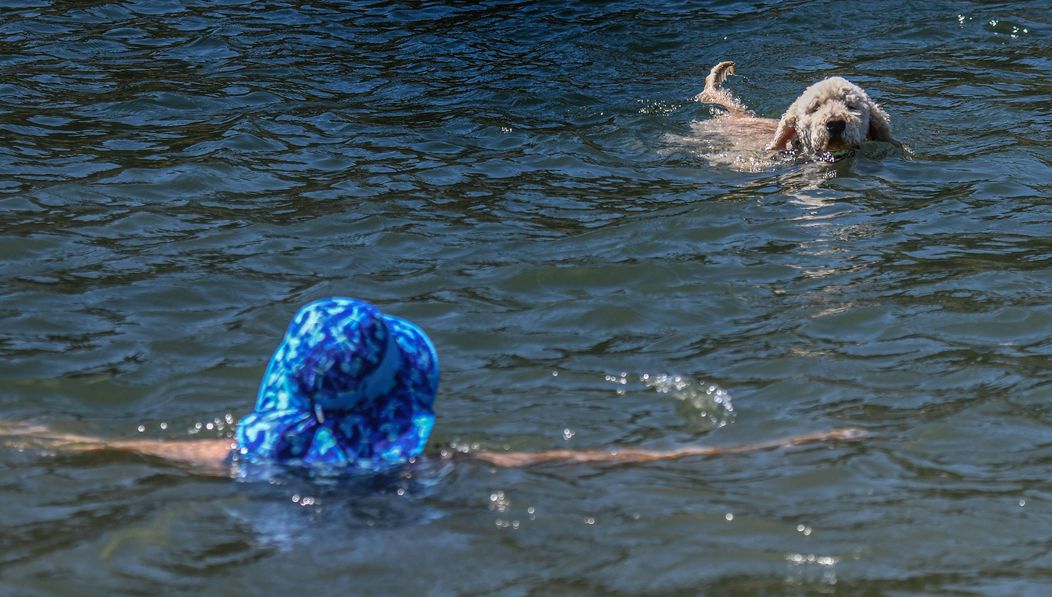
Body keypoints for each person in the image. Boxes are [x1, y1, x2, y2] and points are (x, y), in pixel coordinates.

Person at [0, 298, 865, 477]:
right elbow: (609, 457)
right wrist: (778, 446)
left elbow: (103, 443)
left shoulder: (241, 456)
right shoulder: (430, 469)